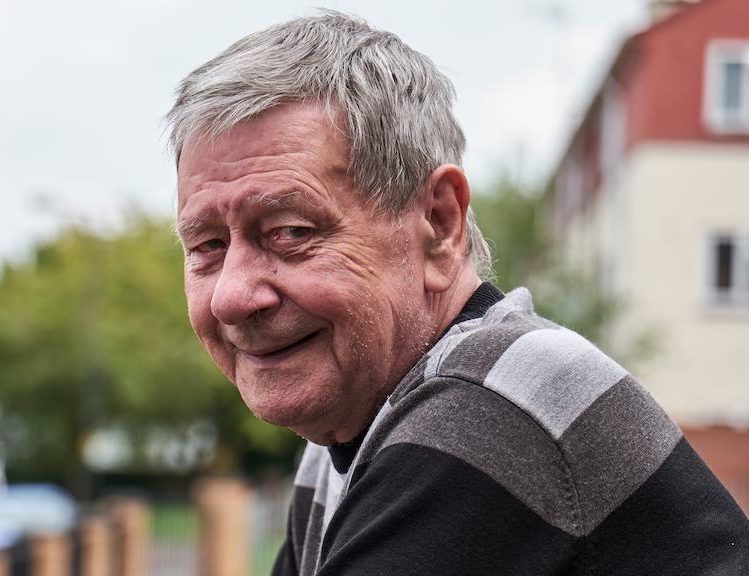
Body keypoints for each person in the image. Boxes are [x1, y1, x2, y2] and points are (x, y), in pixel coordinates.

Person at [167, 10, 748, 575]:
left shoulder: (491, 412)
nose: (232, 297)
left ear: (438, 223)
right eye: (207, 247)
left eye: (291, 232)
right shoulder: (343, 439)